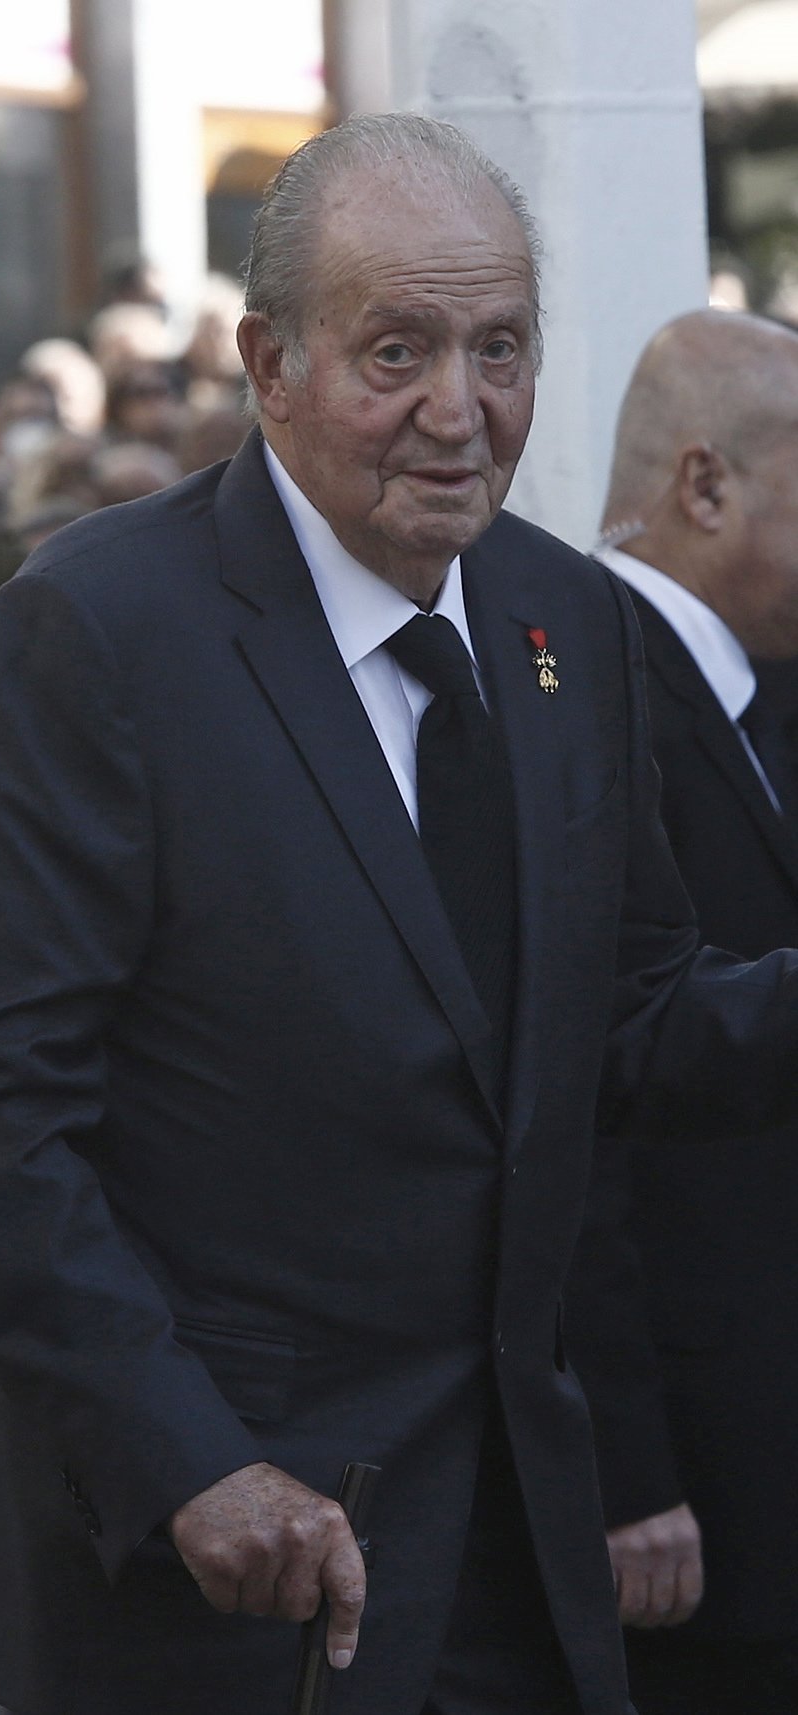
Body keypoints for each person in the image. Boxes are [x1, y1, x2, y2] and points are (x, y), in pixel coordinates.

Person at [0, 112, 798, 1715]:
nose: (461, 411)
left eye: (500, 348)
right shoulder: (94, 634)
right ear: (269, 361)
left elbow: (630, 1018)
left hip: (515, 1561)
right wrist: (189, 1468)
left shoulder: (561, 617)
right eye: (398, 350)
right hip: (217, 1585)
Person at [564, 309, 798, 1713]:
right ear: (706, 486)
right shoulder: (571, 691)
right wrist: (627, 1464)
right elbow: (568, 1107)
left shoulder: (756, 690)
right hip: (688, 1494)